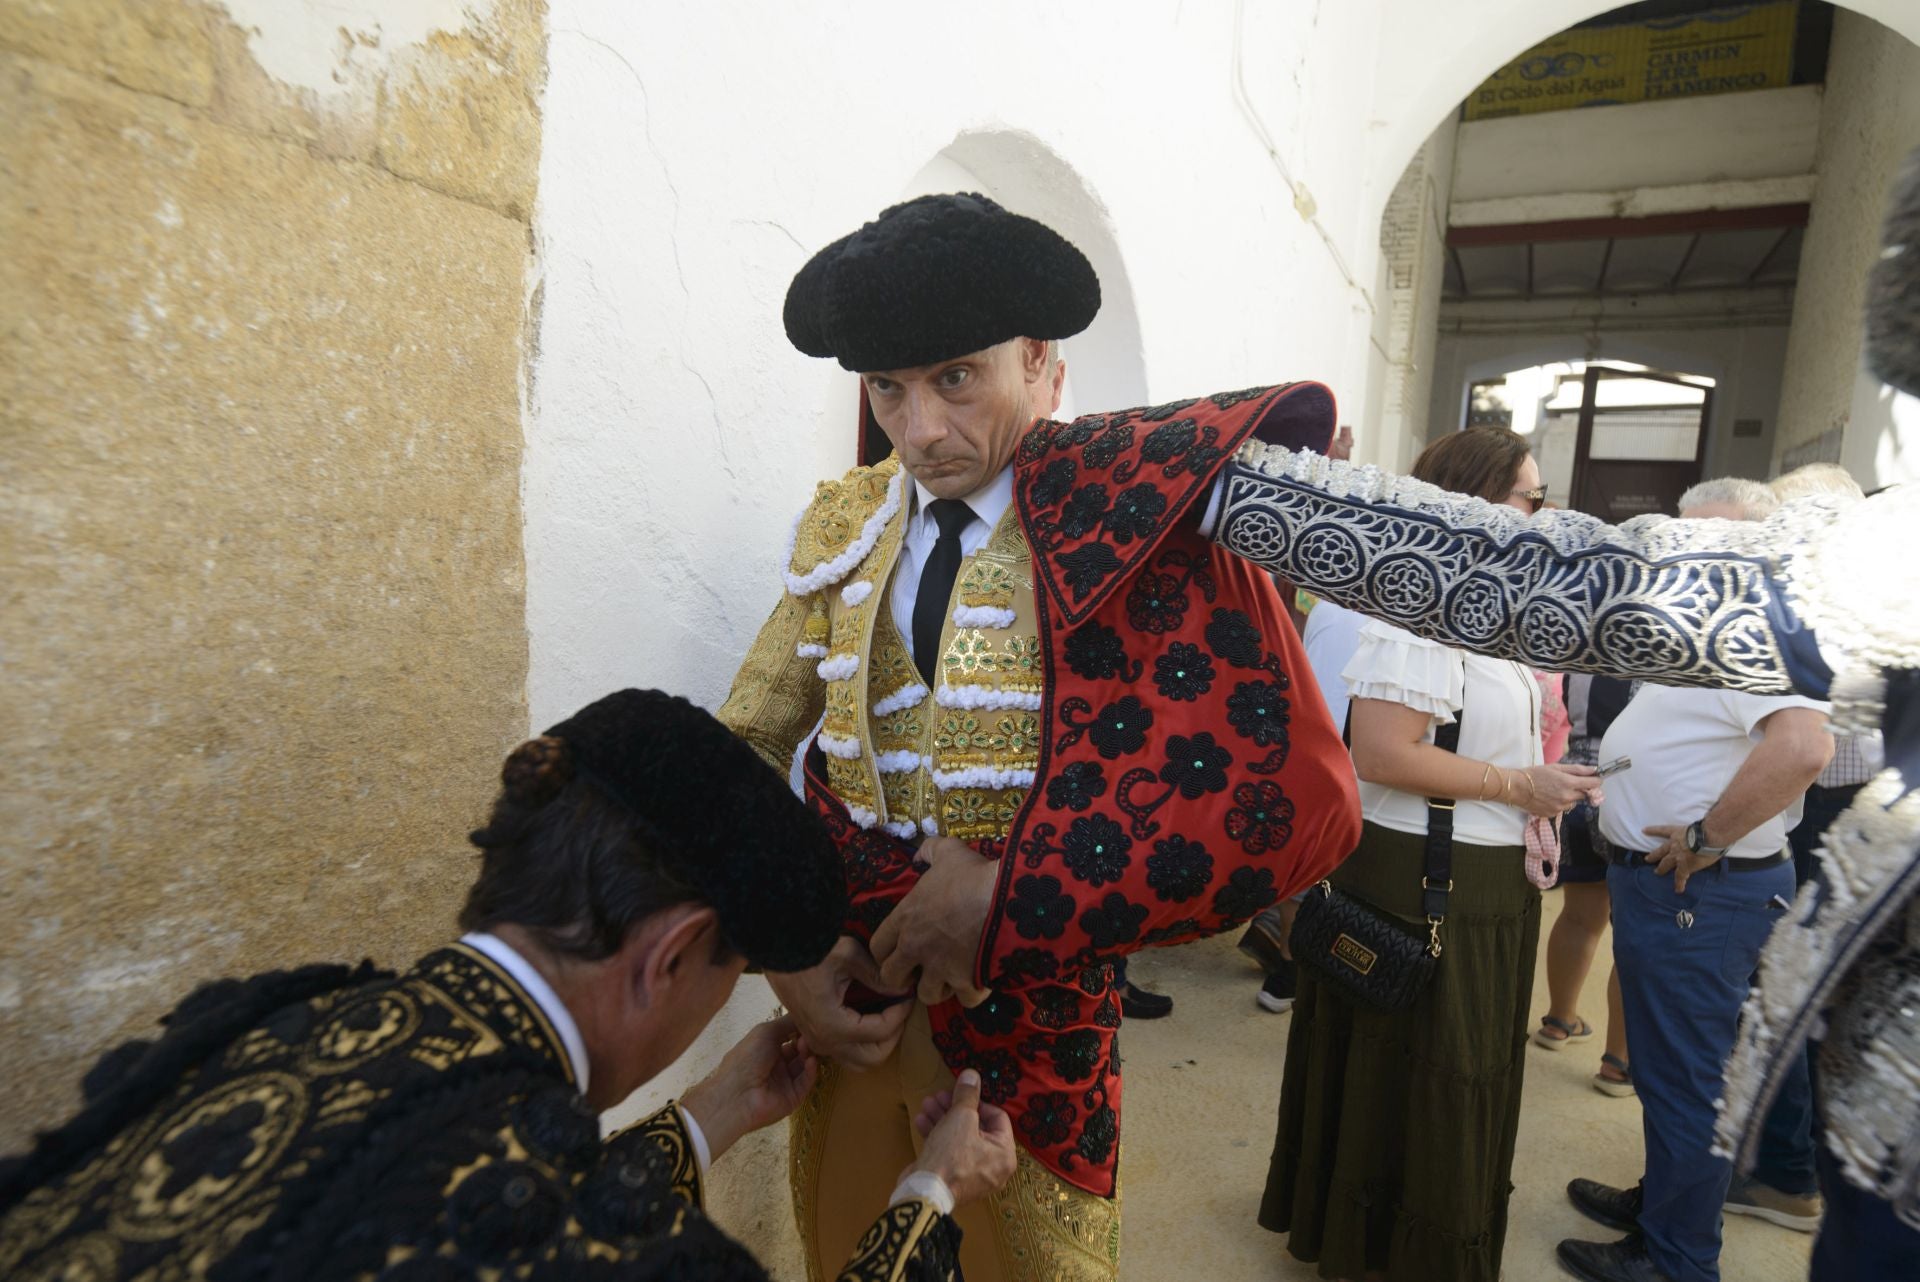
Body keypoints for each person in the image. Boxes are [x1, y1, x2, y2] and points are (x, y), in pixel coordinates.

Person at [719, 191, 1363, 1282]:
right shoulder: (846, 522)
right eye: (888, 388)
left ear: (1042, 366)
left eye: (956, 379)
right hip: (852, 1003)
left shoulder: (1127, 518)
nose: (919, 430)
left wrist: (1022, 893)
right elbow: (736, 753)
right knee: (845, 1248)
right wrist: (786, 959)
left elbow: (1252, 794)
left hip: (1043, 1023)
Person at [0, 690, 1016, 1282]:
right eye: (732, 970)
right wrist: (933, 1190)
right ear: (671, 955)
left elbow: (478, 1182)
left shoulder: (280, 1018)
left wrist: (709, 1113)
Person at [1259, 426, 1603, 1282]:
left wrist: (1535, 790)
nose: (1540, 510)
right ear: (1478, 498)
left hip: (1473, 872)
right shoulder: (1420, 603)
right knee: (1423, 1066)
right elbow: (1381, 753)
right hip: (1423, 874)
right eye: (1530, 494)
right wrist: (1524, 786)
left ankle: (1404, 1238)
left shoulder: (1480, 602)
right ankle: (1386, 1246)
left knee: (1456, 1067)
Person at [1553, 479, 1835, 1282]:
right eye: (1680, 535)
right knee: (1686, 1072)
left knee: (1685, 1084)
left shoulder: (1757, 627)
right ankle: (1664, 1207)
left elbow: (1803, 750)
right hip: (1679, 892)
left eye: (1708, 538)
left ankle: (1674, 1261)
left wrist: (1710, 833)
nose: (1682, 552)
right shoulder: (1707, 622)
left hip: (1699, 896)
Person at [1239, 592, 1367, 1013]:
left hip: (1305, 747)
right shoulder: (1395, 622)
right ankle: (1308, 969)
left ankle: (1289, 968)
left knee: (1306, 866)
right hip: (1347, 757)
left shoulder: (1323, 605)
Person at [1535, 674, 1638, 1100]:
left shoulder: (1587, 643)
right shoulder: (1658, 647)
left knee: (1577, 916)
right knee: (1630, 933)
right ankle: (1618, 1062)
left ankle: (1559, 1021)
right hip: (1627, 782)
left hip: (1574, 777)